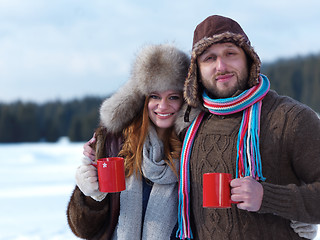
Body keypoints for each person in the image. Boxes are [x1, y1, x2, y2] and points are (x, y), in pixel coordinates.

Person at [175, 15, 320, 239]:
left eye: (230, 53)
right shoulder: (190, 127)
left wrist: (268, 197)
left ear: (248, 58)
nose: (220, 66)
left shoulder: (291, 118)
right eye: (209, 58)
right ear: (197, 71)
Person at [66, 44, 190, 239]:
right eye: (155, 96)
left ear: (185, 100)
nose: (163, 106)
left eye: (173, 97)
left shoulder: (195, 146)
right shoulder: (116, 143)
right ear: (142, 100)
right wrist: (89, 195)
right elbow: (85, 230)